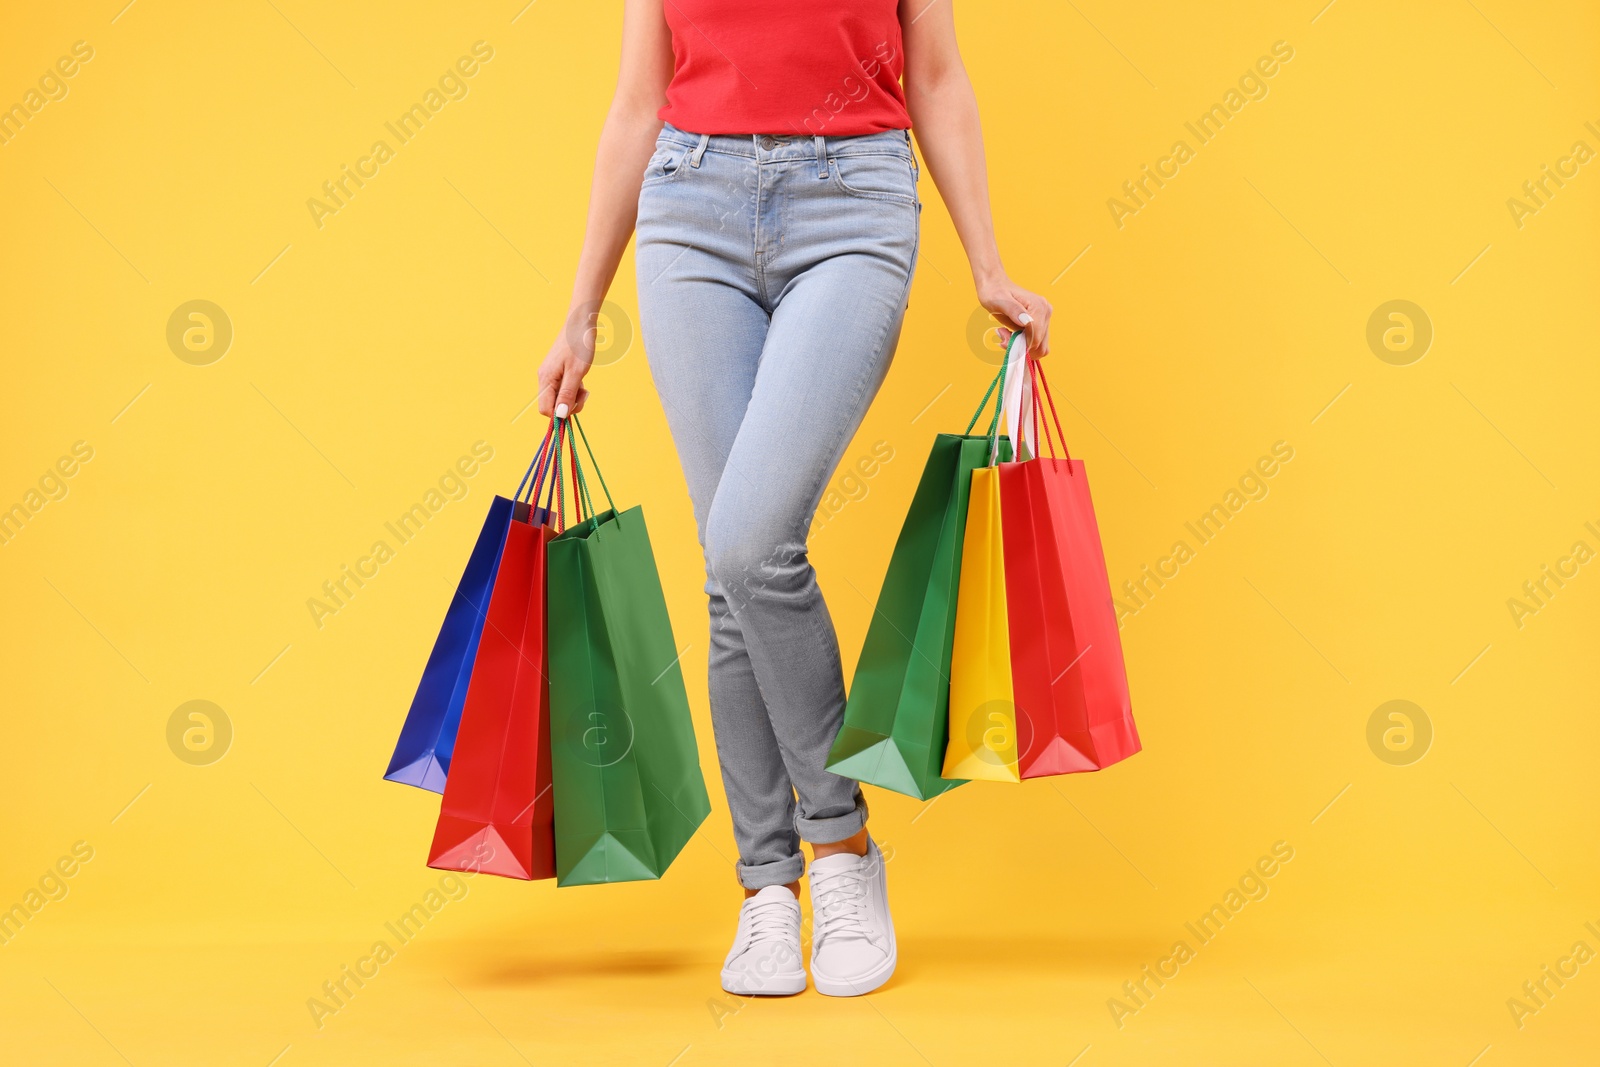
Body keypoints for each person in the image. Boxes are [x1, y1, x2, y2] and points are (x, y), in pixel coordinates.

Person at [536, 0, 1053, 997]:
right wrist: (580, 312)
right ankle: (767, 887)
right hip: (690, 207)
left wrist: (987, 263)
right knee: (731, 575)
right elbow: (639, 102)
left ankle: (843, 846)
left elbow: (935, 79)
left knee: (747, 543)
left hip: (850, 205)